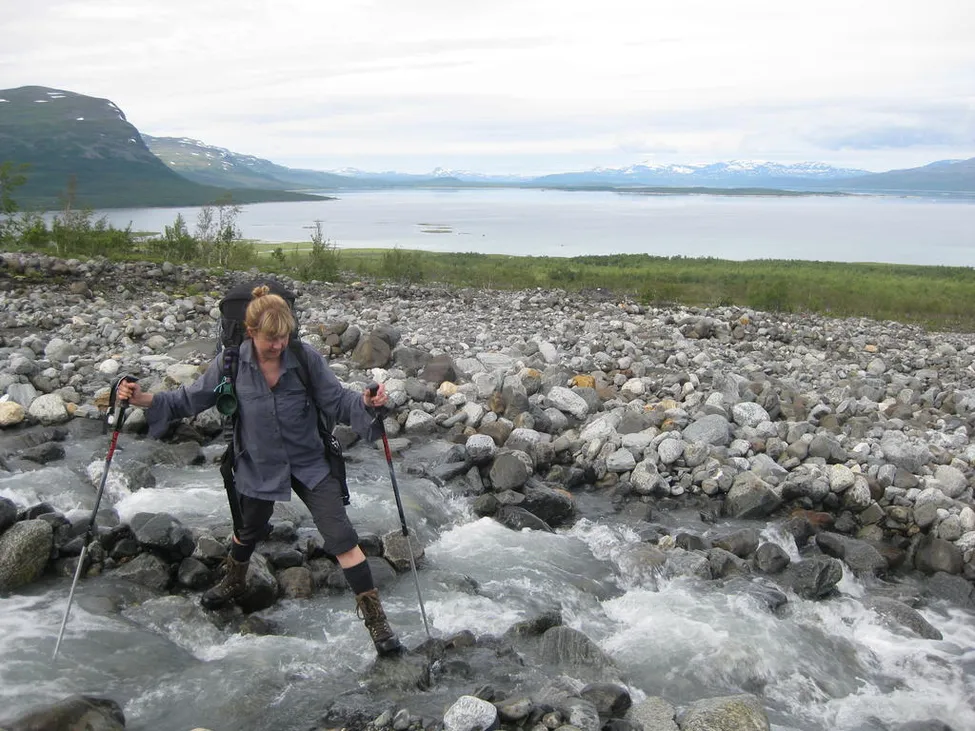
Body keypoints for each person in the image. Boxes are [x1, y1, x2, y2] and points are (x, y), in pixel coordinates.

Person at [116, 285, 402, 656]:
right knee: (247, 530)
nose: (279, 345)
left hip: (310, 462)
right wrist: (142, 399)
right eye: (271, 338)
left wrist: (367, 402)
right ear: (251, 332)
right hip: (258, 463)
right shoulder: (231, 363)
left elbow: (339, 400)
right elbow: (190, 398)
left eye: (284, 336)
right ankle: (234, 580)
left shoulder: (304, 358)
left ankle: (377, 622)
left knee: (343, 538)